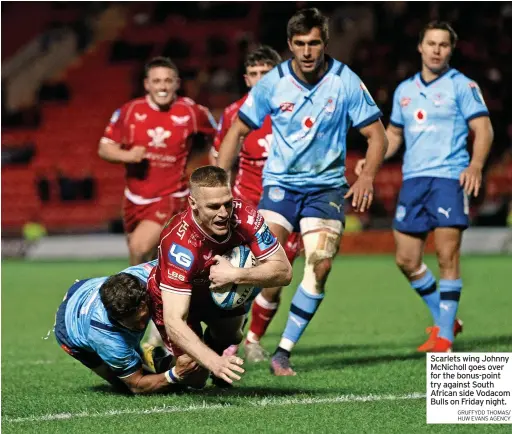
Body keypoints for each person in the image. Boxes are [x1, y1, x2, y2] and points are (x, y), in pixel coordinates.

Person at [217, 8, 388, 376]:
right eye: (300, 44)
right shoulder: (273, 83)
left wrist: (367, 177)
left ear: (324, 43)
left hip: (325, 189)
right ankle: (226, 340)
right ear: (290, 45)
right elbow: (236, 132)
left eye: (314, 43)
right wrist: (219, 181)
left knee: (320, 264)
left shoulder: (345, 81)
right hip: (280, 186)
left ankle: (282, 352)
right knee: (264, 264)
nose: (307, 51)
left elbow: (377, 136)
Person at [355, 21, 493, 352]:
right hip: (414, 180)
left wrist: (475, 165)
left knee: (447, 255)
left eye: (443, 45)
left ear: (451, 49)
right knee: (405, 259)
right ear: (420, 47)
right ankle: (447, 320)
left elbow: (484, 129)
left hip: (448, 177)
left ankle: (443, 336)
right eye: (431, 43)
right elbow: (395, 136)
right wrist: (372, 160)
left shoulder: (463, 86)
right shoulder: (404, 90)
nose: (436, 50)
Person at [147, 165, 293, 386]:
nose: (224, 213)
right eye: (214, 206)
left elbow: (284, 272)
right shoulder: (179, 243)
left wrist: (235, 274)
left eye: (227, 203)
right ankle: (161, 361)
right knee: (193, 376)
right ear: (193, 204)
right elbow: (174, 321)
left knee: (231, 336)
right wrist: (214, 362)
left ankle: (208, 357)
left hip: (219, 288)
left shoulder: (246, 217)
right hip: (178, 299)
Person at [212, 45, 303, 363]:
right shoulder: (234, 113)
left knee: (275, 280)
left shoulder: (295, 110)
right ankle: (227, 340)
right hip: (245, 206)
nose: (260, 79)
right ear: (246, 78)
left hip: (288, 206)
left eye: (266, 73)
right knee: (238, 275)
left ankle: (253, 339)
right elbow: (219, 158)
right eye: (254, 74)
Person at [98, 56, 216, 266]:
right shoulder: (129, 111)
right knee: (149, 258)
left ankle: (135, 295)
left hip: (170, 197)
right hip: (134, 199)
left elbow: (221, 134)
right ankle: (157, 293)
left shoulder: (191, 111)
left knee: (138, 248)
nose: (163, 86)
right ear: (147, 84)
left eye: (168, 81)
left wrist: (211, 163)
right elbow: (104, 147)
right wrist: (128, 155)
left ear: (177, 84)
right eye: (157, 81)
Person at [54, 261, 208, 394]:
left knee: (185, 378)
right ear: (115, 318)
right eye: (133, 323)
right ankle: (155, 360)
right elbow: (137, 385)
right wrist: (175, 374)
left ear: (144, 298)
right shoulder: (106, 336)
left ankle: (153, 359)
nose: (141, 326)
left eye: (142, 318)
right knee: (126, 386)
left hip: (88, 287)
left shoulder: (149, 275)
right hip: (68, 329)